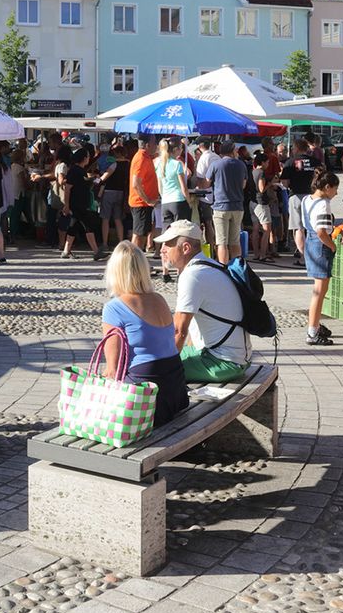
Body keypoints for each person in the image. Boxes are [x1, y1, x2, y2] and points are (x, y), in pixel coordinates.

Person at [101, 241, 189, 426]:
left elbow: (112, 369)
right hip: (175, 389)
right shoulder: (160, 299)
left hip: (146, 396)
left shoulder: (114, 308)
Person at [156, 219, 253, 382]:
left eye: (167, 244)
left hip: (224, 362)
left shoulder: (193, 275)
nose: (162, 250)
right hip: (233, 357)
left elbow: (179, 331)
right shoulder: (208, 264)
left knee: (150, 370)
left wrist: (164, 369)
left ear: (185, 248)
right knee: (152, 356)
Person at [302, 171, 340, 347]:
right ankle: (312, 331)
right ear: (327, 187)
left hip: (309, 244)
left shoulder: (306, 199)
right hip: (320, 246)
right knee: (319, 292)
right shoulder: (323, 204)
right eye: (335, 189)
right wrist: (332, 246)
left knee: (317, 291)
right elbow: (322, 232)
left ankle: (314, 324)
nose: (336, 193)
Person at [207, 141, 248, 264]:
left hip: (220, 206)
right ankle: (237, 268)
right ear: (232, 150)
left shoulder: (216, 165)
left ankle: (223, 269)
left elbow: (207, 181)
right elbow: (243, 185)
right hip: (237, 206)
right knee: (235, 242)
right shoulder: (241, 165)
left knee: (222, 242)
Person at [60, 145, 104, 260]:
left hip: (79, 203)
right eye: (88, 156)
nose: (89, 158)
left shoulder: (79, 170)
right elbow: (68, 188)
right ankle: (96, 251)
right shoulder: (75, 171)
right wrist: (66, 205)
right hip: (77, 204)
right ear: (84, 158)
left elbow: (82, 183)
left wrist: (94, 180)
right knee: (88, 225)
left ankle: (66, 251)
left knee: (73, 226)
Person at [156, 138, 191, 279]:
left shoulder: (160, 164)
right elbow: (184, 188)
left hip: (166, 202)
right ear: (176, 149)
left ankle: (165, 270)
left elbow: (160, 188)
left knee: (166, 236)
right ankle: (179, 269)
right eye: (181, 149)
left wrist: (165, 197)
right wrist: (188, 201)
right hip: (178, 201)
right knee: (180, 236)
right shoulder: (177, 164)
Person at [282, 138, 320, 264]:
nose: (292, 150)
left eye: (293, 147)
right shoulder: (315, 161)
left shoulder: (290, 162)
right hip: (313, 197)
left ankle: (304, 258)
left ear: (297, 148)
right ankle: (315, 256)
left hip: (296, 197)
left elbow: (285, 183)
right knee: (312, 228)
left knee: (298, 228)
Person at [128, 137, 161, 253]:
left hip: (143, 204)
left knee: (142, 234)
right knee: (138, 235)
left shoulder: (145, 157)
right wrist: (148, 200)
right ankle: (132, 263)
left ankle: (137, 262)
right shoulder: (141, 158)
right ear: (147, 145)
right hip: (140, 203)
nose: (156, 146)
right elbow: (136, 183)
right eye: (154, 143)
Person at [251, 153, 277, 263]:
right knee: (267, 229)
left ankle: (256, 254)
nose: (268, 164)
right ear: (262, 162)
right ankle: (262, 255)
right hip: (261, 203)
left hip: (252, 202)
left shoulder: (252, 171)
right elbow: (261, 189)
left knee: (255, 229)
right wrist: (270, 183)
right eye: (267, 162)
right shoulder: (261, 173)